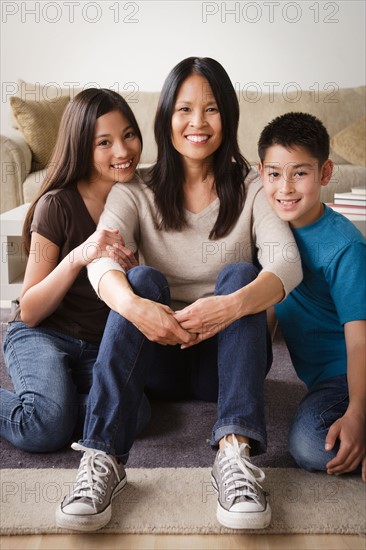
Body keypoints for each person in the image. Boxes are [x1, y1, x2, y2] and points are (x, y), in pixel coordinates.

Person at [56, 57, 302, 532]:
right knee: (142, 282)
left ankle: (235, 456)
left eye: (210, 110)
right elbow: (102, 259)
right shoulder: (135, 189)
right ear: (166, 115)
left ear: (227, 117)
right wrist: (137, 308)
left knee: (240, 275)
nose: (197, 123)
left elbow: (286, 262)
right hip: (158, 357)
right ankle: (102, 460)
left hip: (228, 360)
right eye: (184, 109)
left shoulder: (253, 187)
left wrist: (231, 305)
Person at [0, 88, 142, 453]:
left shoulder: (140, 197)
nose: (123, 151)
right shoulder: (56, 205)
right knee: (43, 428)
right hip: (43, 334)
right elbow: (29, 310)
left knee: (137, 414)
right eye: (104, 143)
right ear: (81, 147)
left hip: (98, 344)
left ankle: (59, 407)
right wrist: (80, 255)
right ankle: (52, 413)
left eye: (128, 134)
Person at [258, 112, 366, 481]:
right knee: (315, 438)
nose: (285, 187)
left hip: (351, 373)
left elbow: (359, 344)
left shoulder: (344, 245)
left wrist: (357, 414)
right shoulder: (268, 228)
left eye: (299, 173)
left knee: (308, 443)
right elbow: (269, 306)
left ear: (324, 173)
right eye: (274, 174)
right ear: (261, 174)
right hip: (325, 381)